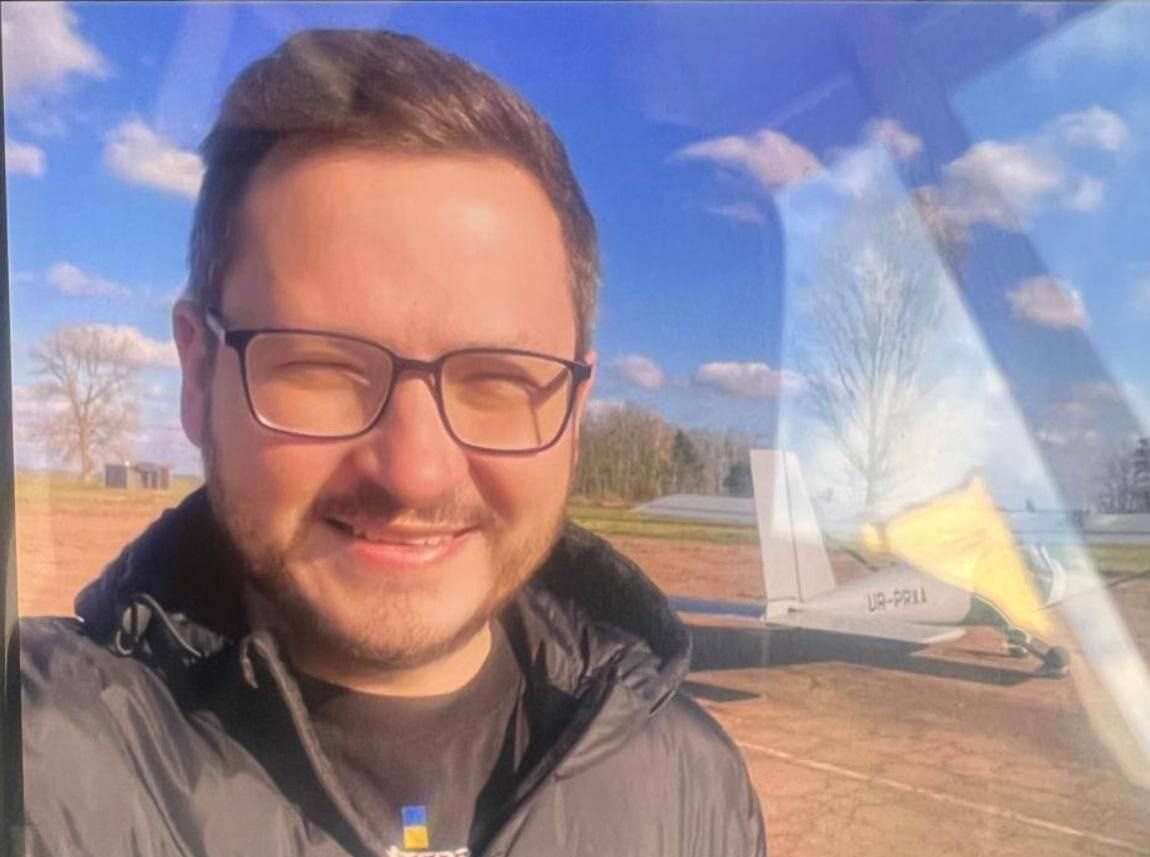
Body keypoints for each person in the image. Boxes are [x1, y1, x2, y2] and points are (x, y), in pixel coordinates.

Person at [20, 29, 766, 857]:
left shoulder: (693, 787)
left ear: (575, 413)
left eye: (498, 380)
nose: (414, 471)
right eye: (320, 366)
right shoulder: (40, 762)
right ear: (199, 376)